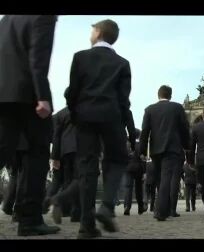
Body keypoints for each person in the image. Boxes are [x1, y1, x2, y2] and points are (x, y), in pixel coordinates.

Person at [65, 19, 132, 238]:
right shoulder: (122, 63)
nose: (90, 32)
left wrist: (75, 115)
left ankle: (86, 225)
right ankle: (107, 207)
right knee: (116, 161)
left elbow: (72, 92)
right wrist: (122, 124)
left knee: (87, 168)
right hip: (111, 116)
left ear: (99, 32)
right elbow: (124, 99)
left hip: (84, 117)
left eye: (92, 29)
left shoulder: (80, 57)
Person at [0, 15, 59, 236]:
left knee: (4, 148)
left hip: (3, 91)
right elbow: (38, 57)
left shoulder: (8, 18)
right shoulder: (43, 16)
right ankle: (29, 219)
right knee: (37, 153)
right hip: (26, 93)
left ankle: (28, 216)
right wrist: (42, 96)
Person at [139, 85, 190, 221]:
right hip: (172, 148)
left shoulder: (149, 109)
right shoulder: (177, 107)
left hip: (155, 150)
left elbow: (145, 132)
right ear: (170, 95)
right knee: (166, 179)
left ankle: (163, 208)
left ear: (158, 95)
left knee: (160, 179)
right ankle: (161, 211)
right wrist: (186, 145)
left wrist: (142, 150)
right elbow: (184, 128)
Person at [43, 105, 80, 224]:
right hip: (81, 149)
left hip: (65, 151)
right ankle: (75, 211)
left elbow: (56, 136)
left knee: (67, 181)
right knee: (79, 180)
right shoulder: (83, 109)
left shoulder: (60, 114)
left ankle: (65, 210)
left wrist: (55, 156)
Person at [124, 128, 147, 216]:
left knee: (128, 188)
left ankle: (127, 206)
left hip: (128, 168)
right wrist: (144, 172)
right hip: (138, 168)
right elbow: (143, 159)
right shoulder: (140, 145)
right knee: (138, 189)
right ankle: (140, 207)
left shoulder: (127, 144)